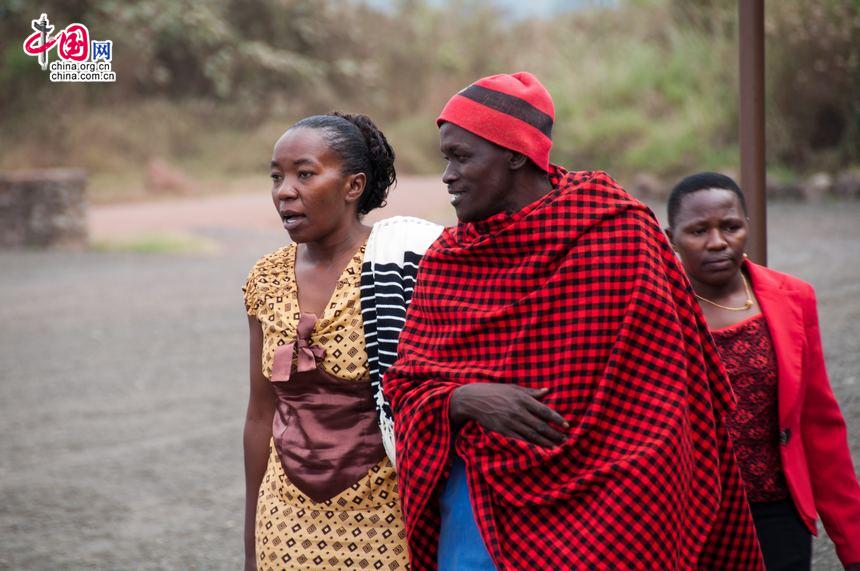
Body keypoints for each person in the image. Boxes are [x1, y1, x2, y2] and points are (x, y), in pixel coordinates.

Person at [384, 72, 764, 570]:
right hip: (477, 510)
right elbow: (406, 385)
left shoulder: (615, 233)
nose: (448, 175)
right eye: (445, 159)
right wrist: (463, 399)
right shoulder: (449, 260)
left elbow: (671, 395)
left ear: (515, 153)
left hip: (617, 515)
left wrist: (634, 498)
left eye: (461, 156)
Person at [242, 112, 441, 570]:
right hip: (284, 521)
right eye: (277, 177)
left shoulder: (402, 266)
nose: (284, 191)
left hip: (384, 518)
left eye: (305, 174)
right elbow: (259, 414)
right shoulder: (265, 277)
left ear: (353, 186)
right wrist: (252, 544)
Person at [665, 172, 860, 571]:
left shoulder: (792, 298)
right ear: (671, 237)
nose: (718, 241)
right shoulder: (658, 308)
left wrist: (853, 543)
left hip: (777, 512)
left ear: (747, 228)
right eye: (698, 230)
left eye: (731, 227)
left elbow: (819, 426)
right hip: (690, 520)